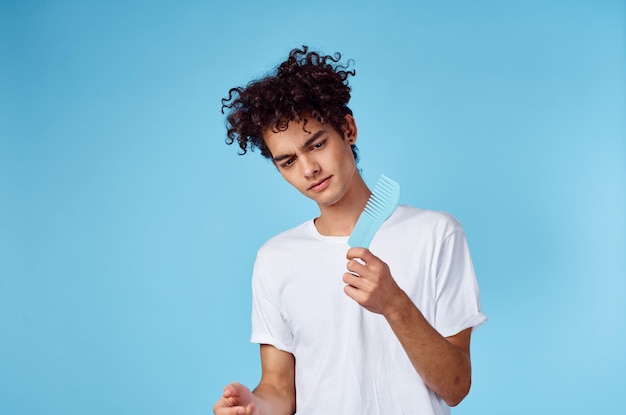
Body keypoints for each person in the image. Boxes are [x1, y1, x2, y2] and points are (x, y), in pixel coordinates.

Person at [213, 45, 486, 415]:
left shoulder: (436, 234)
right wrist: (255, 407)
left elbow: (456, 387)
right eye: (288, 161)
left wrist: (394, 304)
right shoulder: (275, 259)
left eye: (317, 144)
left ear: (348, 129)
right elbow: (279, 387)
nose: (309, 169)